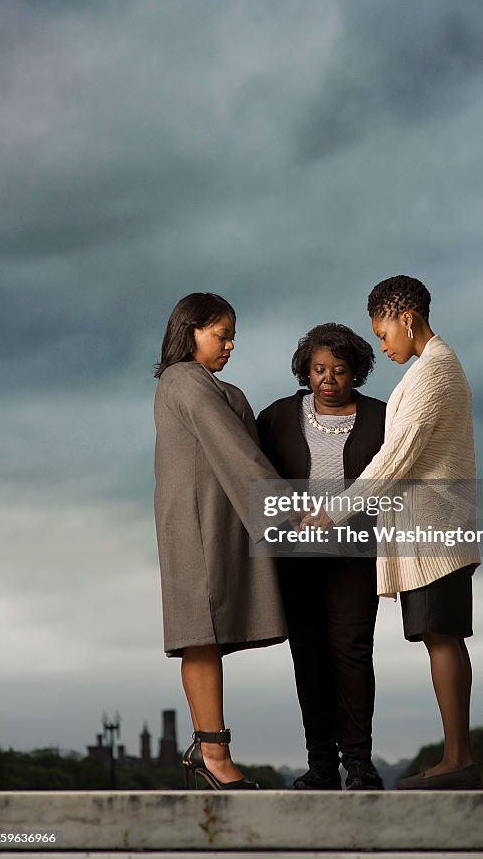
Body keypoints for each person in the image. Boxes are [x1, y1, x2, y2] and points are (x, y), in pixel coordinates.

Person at [302, 276, 482, 790]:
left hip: (436, 535)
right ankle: (455, 757)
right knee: (438, 637)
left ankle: (458, 760)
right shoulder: (429, 368)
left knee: (443, 639)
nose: (382, 344)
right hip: (429, 533)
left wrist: (332, 513)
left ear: (405, 317)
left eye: (382, 333)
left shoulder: (436, 370)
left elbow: (396, 457)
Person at [153, 292, 289, 790]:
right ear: (190, 331)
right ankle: (213, 753)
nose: (231, 344)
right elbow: (232, 447)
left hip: (215, 515)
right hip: (196, 521)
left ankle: (209, 750)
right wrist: (284, 509)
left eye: (233, 336)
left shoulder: (207, 383)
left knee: (204, 632)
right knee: (200, 632)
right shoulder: (183, 379)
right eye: (221, 334)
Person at [256, 323, 387, 791]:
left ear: (356, 373)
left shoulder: (381, 418)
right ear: (305, 371)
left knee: (352, 653)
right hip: (296, 558)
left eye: (339, 370)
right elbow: (254, 474)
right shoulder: (275, 417)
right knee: (309, 657)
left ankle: (359, 763)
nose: (328, 379)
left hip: (357, 557)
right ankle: (321, 766)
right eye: (318, 369)